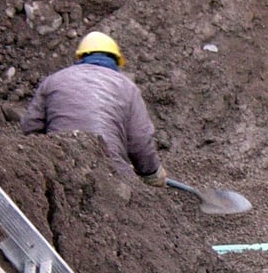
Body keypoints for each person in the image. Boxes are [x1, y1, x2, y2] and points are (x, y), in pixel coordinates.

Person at [20, 31, 167, 185]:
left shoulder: (54, 80)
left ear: (81, 57)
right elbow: (140, 140)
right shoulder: (128, 88)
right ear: (116, 61)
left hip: (58, 167)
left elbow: (31, 126)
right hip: (111, 174)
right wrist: (152, 173)